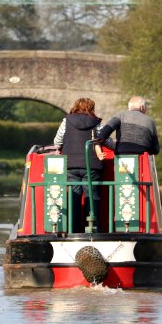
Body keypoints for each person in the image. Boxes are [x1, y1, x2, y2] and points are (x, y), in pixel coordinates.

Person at [55, 98, 106, 233]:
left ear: (75, 107)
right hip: (92, 166)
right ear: (91, 108)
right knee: (92, 195)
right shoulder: (97, 122)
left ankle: (73, 229)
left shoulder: (67, 120)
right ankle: (93, 228)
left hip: (71, 165)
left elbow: (57, 141)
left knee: (74, 196)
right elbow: (102, 139)